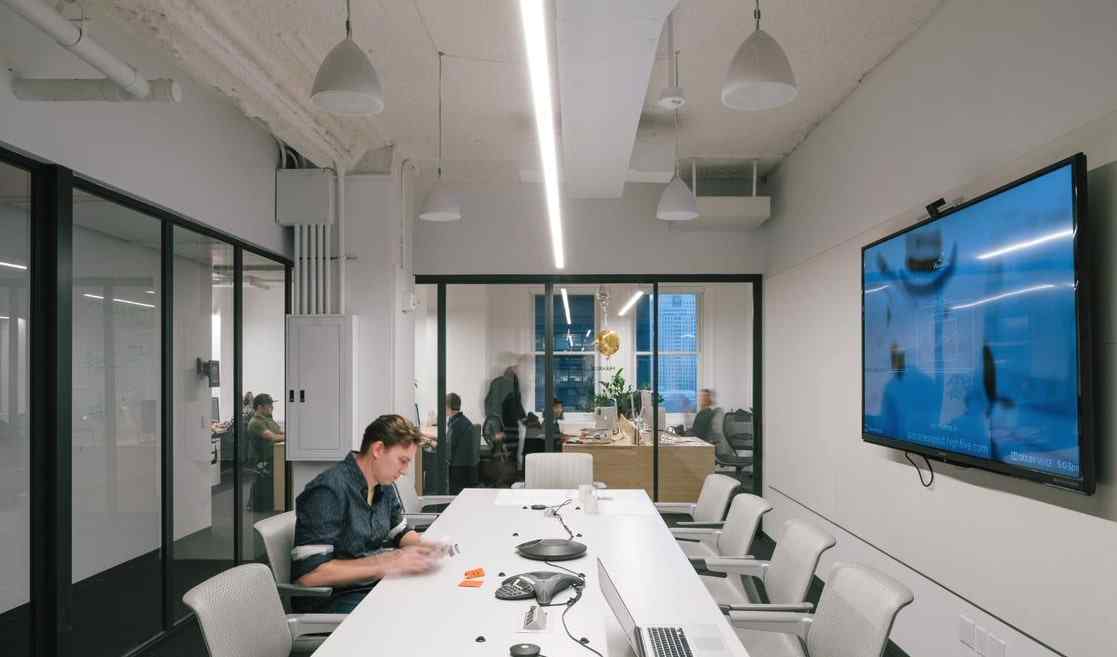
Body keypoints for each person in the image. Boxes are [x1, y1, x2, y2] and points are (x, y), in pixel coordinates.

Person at [292, 415, 437, 612]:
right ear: (377, 450)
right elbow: (311, 575)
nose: (405, 471)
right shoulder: (329, 490)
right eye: (402, 461)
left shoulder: (383, 485)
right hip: (336, 600)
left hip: (372, 587)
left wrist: (432, 548)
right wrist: (386, 563)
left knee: (430, 598)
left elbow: (400, 533)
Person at [246, 393, 284, 510]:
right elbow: (272, 436)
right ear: (259, 407)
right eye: (269, 405)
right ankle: (253, 505)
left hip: (273, 456)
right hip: (263, 459)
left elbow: (279, 433)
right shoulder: (256, 422)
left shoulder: (268, 419)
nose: (272, 407)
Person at [446, 393, 479, 494]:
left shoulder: (456, 425)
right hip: (468, 470)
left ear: (448, 407)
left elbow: (447, 448)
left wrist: (430, 442)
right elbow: (450, 441)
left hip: (458, 472)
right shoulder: (462, 421)